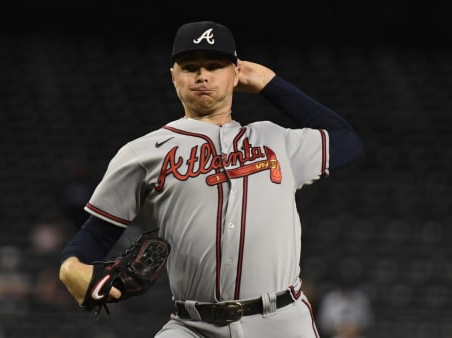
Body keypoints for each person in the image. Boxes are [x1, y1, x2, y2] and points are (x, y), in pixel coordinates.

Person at [59, 20, 363, 338]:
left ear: (235, 73)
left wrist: (269, 83)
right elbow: (97, 233)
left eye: (214, 65)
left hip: (282, 321)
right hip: (192, 325)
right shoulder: (143, 153)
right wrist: (70, 265)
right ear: (173, 75)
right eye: (190, 67)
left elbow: (346, 140)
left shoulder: (277, 140)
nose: (202, 75)